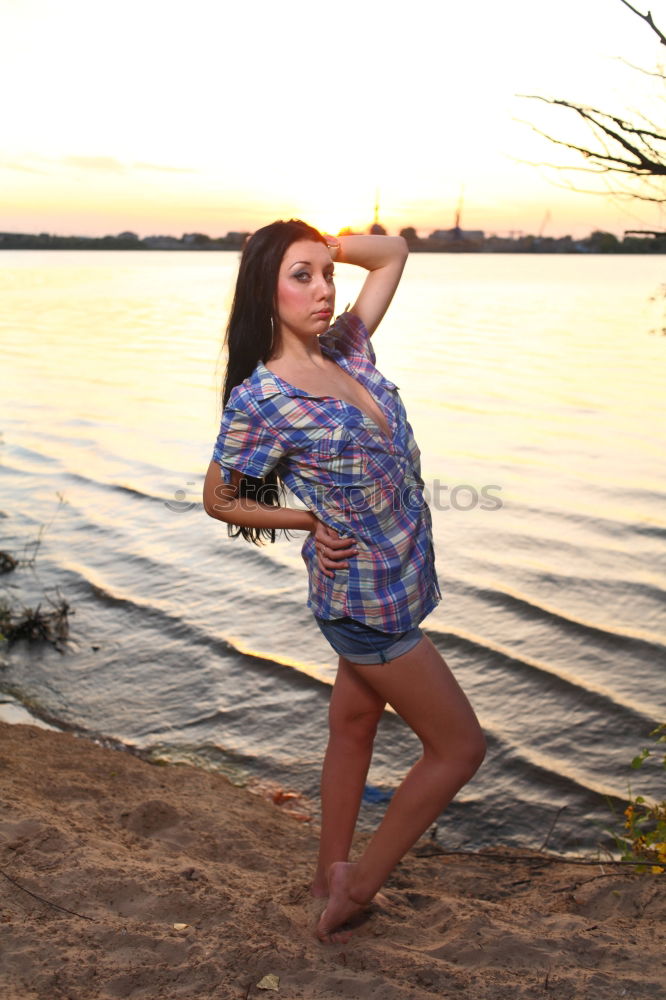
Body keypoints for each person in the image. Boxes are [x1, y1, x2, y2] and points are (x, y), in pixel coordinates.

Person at [202, 219, 486, 943]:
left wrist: (317, 243)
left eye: (325, 274)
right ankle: (355, 890)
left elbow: (391, 253)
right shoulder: (259, 401)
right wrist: (307, 521)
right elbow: (219, 497)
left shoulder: (348, 349)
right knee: (459, 750)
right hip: (367, 606)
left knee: (354, 725)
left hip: (398, 579)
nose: (324, 290)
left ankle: (326, 870)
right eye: (300, 276)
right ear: (264, 290)